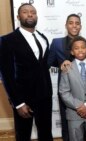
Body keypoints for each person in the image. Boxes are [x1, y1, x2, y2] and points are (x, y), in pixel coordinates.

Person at [0, 3, 53, 140]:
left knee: (46, 134)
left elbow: (42, 66)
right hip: (24, 99)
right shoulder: (7, 40)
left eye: (33, 12)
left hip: (45, 97)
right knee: (23, 135)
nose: (30, 14)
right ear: (18, 16)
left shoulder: (43, 38)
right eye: (25, 12)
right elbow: (7, 75)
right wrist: (18, 102)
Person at [59, 36, 86, 141]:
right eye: (76, 48)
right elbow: (64, 92)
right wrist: (80, 106)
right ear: (72, 52)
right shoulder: (67, 68)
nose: (80, 50)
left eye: (83, 47)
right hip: (74, 114)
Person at [47, 13, 82, 141]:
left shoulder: (85, 43)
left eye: (77, 23)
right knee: (66, 120)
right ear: (66, 25)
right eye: (71, 23)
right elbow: (48, 63)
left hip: (83, 89)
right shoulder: (56, 43)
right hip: (64, 89)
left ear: (80, 26)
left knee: (83, 121)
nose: (74, 26)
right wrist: (61, 64)